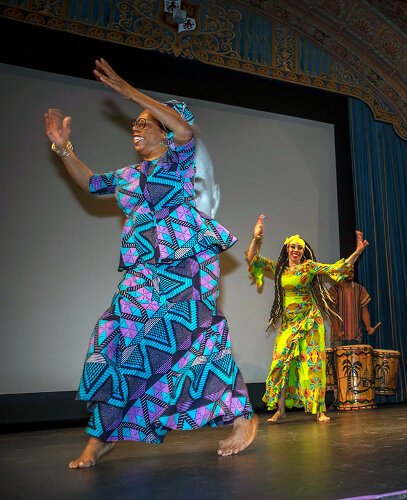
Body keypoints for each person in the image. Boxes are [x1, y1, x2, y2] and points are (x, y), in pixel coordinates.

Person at [44, 59, 257, 468]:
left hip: (186, 269)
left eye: (146, 123)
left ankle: (242, 417)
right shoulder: (128, 175)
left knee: (198, 340)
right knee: (118, 343)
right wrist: (63, 147)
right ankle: (102, 436)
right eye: (135, 124)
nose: (136, 128)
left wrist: (130, 92)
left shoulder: (178, 161)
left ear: (163, 130)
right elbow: (89, 183)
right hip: (143, 272)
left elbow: (185, 130)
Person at [246, 215, 368, 423]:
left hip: (311, 321)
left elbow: (336, 269)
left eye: (300, 248)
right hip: (289, 324)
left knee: (313, 365)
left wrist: (357, 251)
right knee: (280, 363)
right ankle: (281, 409)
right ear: (287, 248)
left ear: (303, 251)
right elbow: (252, 259)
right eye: (293, 247)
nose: (296, 250)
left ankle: (320, 410)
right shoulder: (279, 270)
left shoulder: (309, 267)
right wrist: (257, 239)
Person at [329, 266, 376, 348]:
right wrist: (337, 331)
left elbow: (364, 310)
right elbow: (331, 312)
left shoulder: (360, 289)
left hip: (356, 337)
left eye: (352, 271)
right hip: (339, 339)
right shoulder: (334, 289)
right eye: (347, 271)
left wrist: (368, 327)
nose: (350, 273)